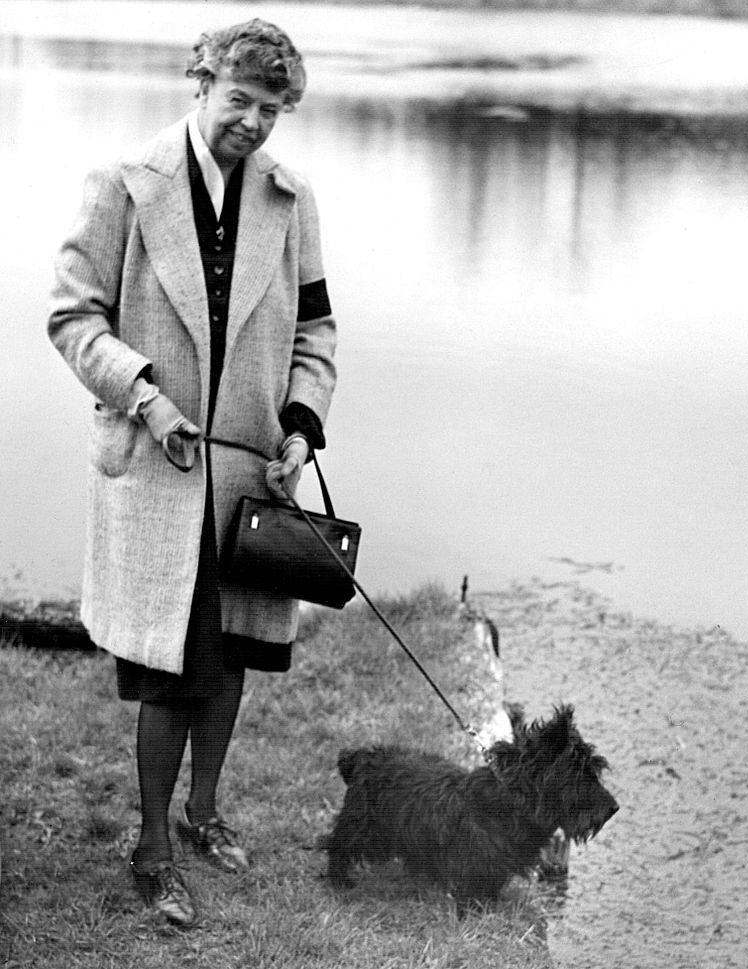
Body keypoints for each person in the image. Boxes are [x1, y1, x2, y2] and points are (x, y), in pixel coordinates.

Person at [47, 19, 337, 927]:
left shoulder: (292, 201)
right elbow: (71, 318)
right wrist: (146, 396)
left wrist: (300, 424)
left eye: (271, 109)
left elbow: (317, 329)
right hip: (155, 463)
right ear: (200, 82)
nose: (252, 122)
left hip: (253, 478)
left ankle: (204, 811)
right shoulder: (124, 186)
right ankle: (153, 847)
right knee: (170, 670)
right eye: (239, 100)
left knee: (234, 654)